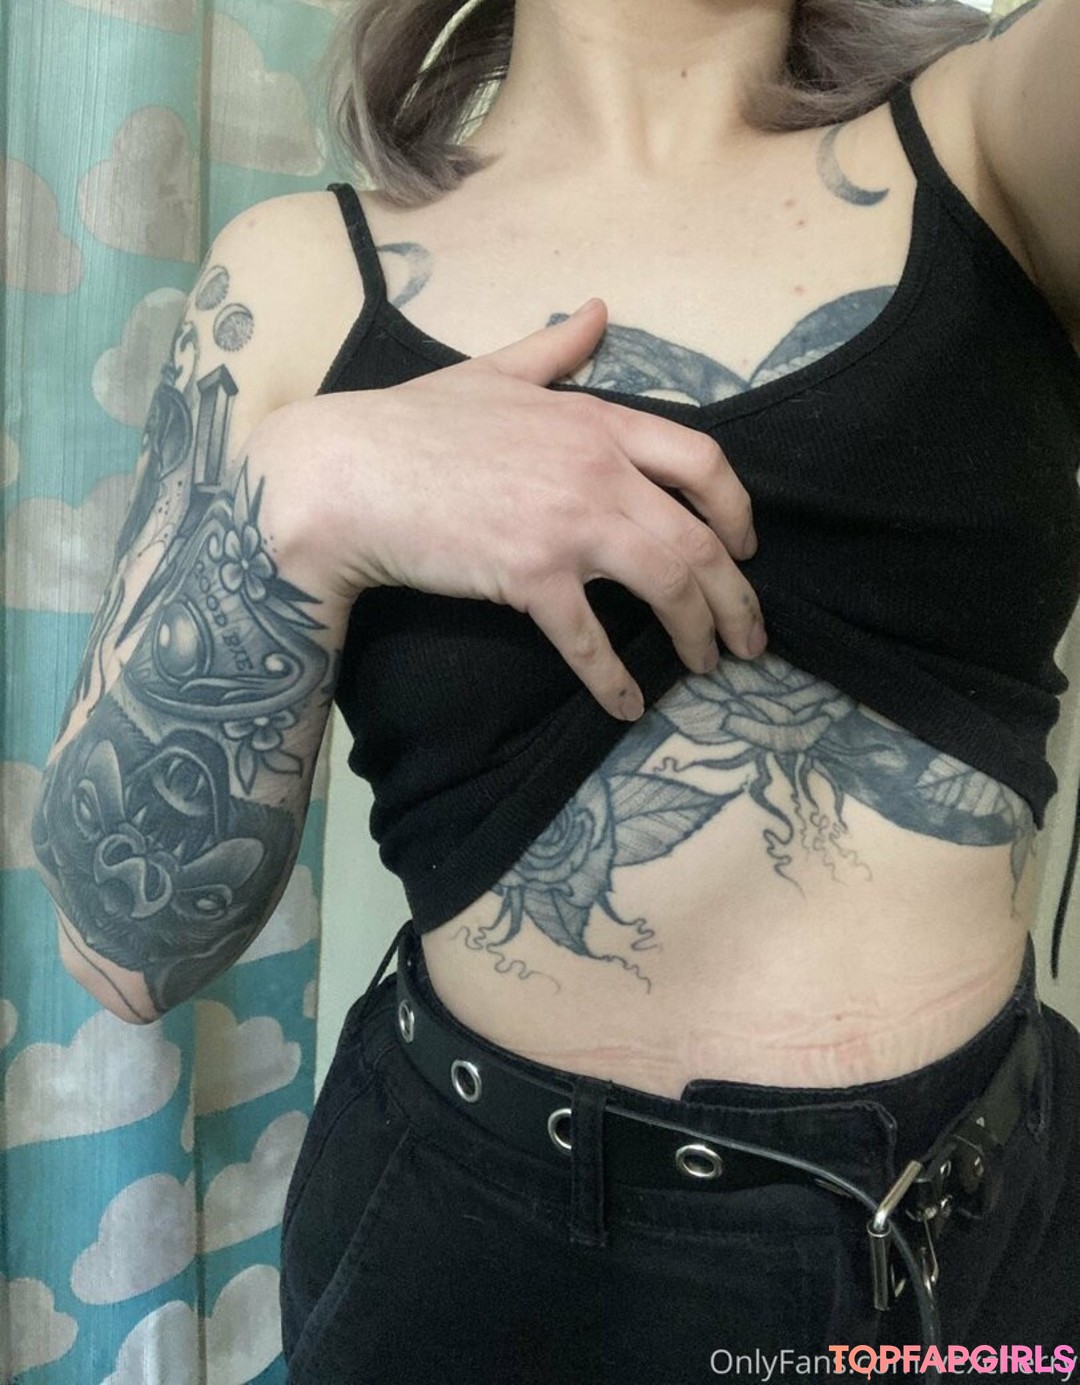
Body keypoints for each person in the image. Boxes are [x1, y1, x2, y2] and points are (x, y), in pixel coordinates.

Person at [30, 0, 1080, 1379]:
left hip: (1002, 1240)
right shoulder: (296, 278)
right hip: (493, 1268)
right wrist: (306, 492)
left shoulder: (1000, 136)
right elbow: (124, 948)